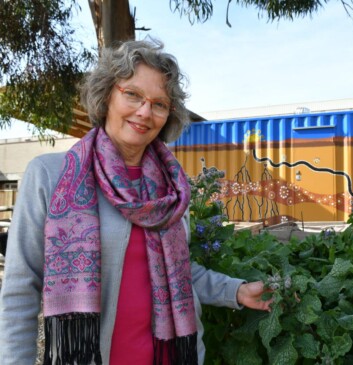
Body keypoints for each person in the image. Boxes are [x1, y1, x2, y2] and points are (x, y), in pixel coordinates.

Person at [0, 39, 272, 365]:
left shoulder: (171, 189)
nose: (145, 112)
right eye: (132, 94)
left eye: (159, 104)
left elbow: (180, 272)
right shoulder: (49, 175)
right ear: (107, 96)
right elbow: (20, 289)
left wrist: (236, 291)